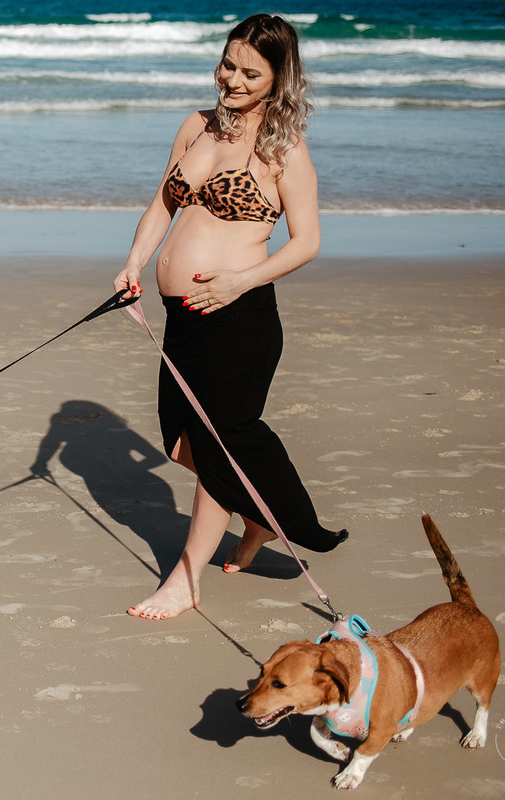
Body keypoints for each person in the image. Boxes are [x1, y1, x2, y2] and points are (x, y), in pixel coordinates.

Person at [113, 14, 348, 620]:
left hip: (238, 318)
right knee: (180, 444)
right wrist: (134, 265)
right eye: (228, 65)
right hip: (181, 318)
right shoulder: (195, 126)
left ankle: (187, 579)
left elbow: (308, 241)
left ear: (277, 78)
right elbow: (161, 206)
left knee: (217, 447)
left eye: (251, 72)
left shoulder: (282, 147)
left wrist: (240, 279)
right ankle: (255, 517)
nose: (233, 80)